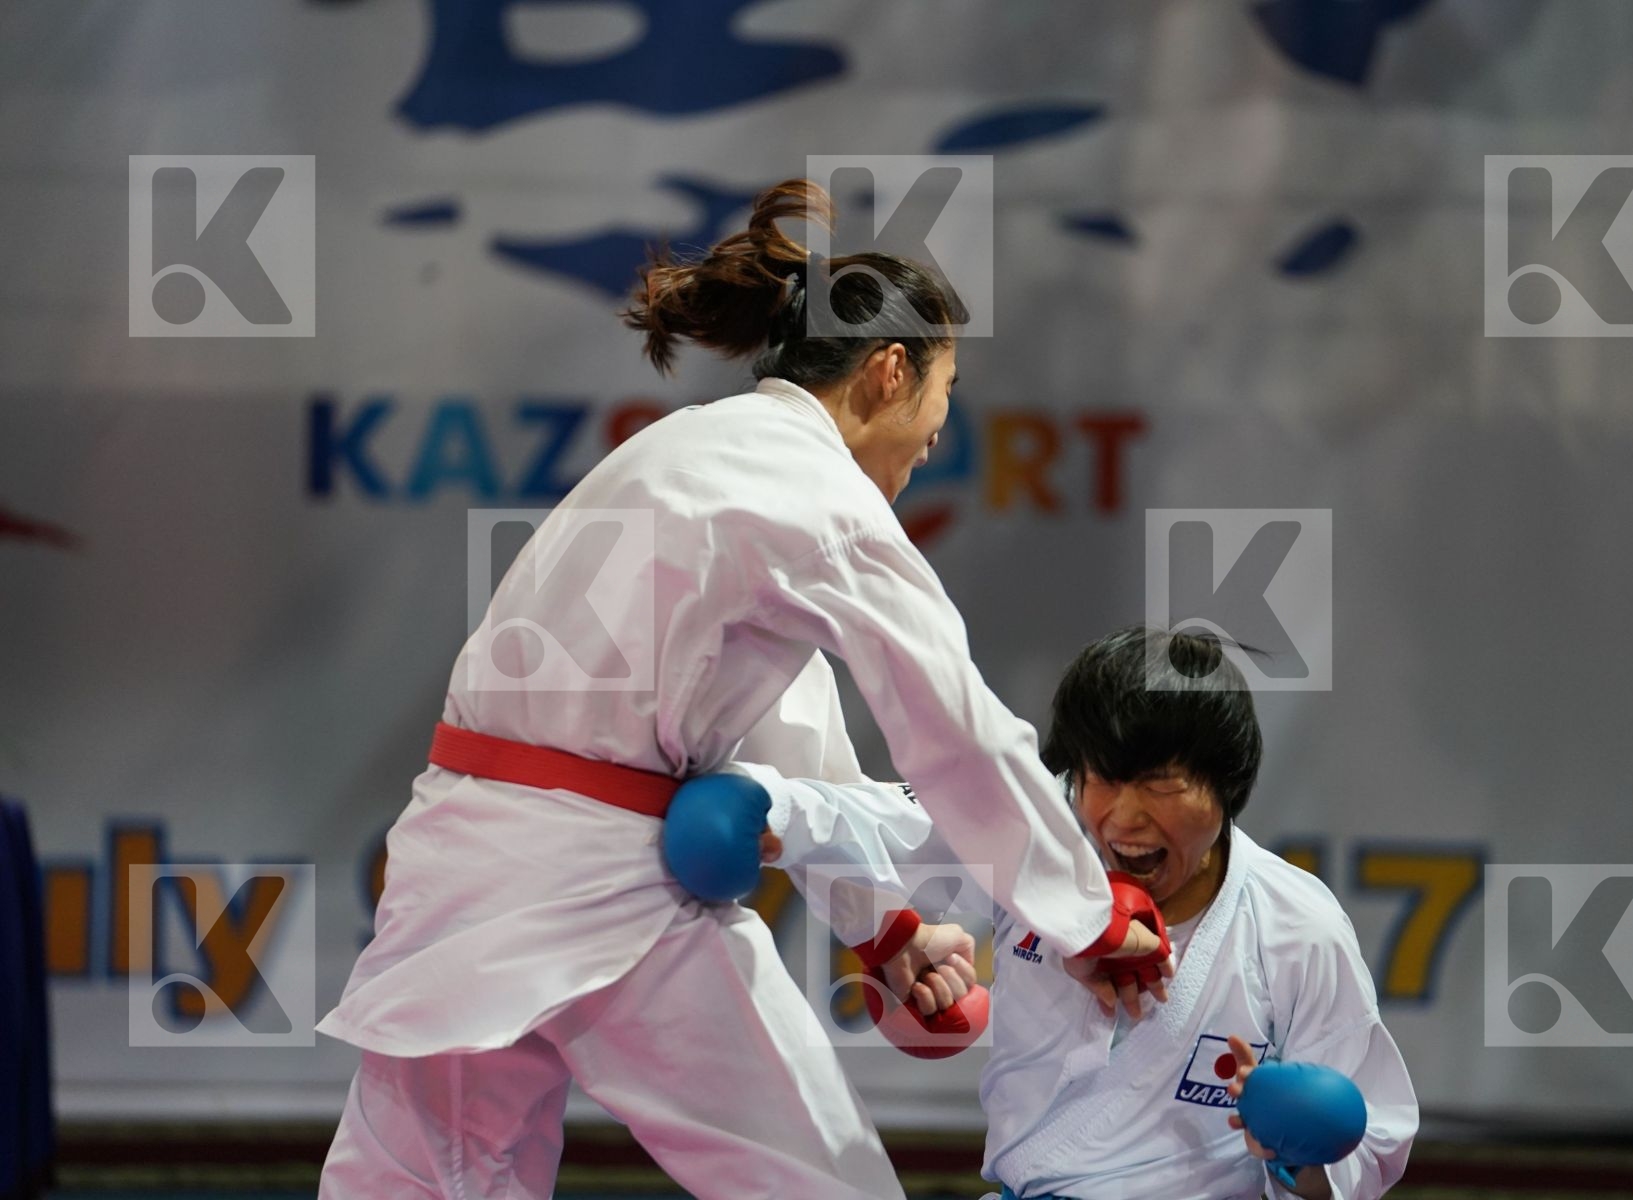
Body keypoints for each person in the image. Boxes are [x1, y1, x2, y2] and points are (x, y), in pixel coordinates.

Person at [314, 179, 1167, 1200]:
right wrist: (1087, 914)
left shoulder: (679, 449)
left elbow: (774, 722)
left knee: (421, 1185)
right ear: (889, 373)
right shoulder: (820, 498)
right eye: (942, 402)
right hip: (604, 885)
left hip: (458, 870)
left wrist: (885, 928)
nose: (938, 437)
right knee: (821, 1187)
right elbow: (959, 735)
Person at [748, 625, 1418, 1199]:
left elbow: (1372, 1141)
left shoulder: (1298, 925)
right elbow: (885, 821)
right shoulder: (1042, 840)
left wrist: (1299, 1153)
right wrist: (768, 809)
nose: (1122, 819)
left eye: (1159, 784)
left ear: (1225, 789)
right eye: (1102, 778)